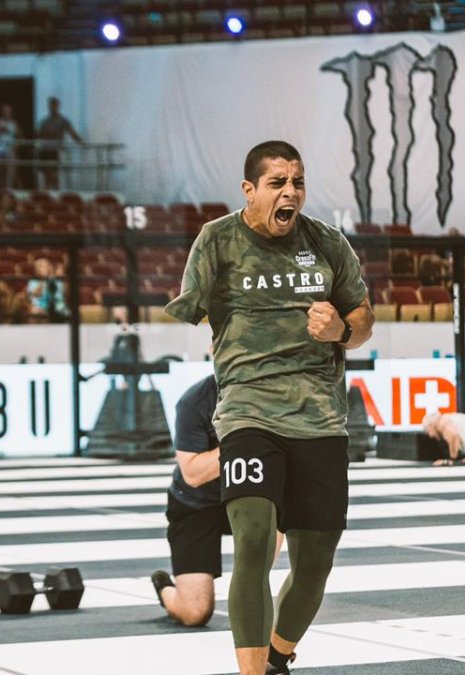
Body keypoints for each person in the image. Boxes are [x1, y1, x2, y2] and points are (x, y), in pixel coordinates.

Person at [165, 140, 374, 675]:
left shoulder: (328, 243)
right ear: (250, 190)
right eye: (278, 182)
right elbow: (189, 310)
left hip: (321, 418)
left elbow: (364, 317)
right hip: (247, 413)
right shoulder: (217, 240)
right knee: (254, 537)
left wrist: (344, 330)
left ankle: (279, 656)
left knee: (314, 563)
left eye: (298, 182)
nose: (290, 192)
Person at [151, 374, 284, 627]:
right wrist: (242, 442)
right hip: (196, 503)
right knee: (195, 613)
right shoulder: (195, 400)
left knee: (278, 509)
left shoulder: (275, 394)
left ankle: (254, 590)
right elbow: (192, 473)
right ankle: (164, 588)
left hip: (248, 493)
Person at [36, 97, 84, 191]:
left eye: (54, 105)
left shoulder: (62, 121)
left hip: (55, 151)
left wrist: (82, 143)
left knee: (54, 174)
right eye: (50, 105)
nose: (52, 107)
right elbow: (38, 135)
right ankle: (47, 194)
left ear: (57, 106)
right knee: (47, 175)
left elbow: (72, 133)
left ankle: (56, 193)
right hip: (45, 150)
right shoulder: (44, 122)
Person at [20, 257, 67, 322]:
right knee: (36, 312)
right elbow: (36, 294)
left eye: (42, 266)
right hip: (39, 308)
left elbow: (65, 294)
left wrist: (61, 278)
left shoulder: (56, 280)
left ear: (49, 268)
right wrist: (44, 280)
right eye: (38, 266)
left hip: (57, 308)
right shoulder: (33, 282)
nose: (39, 268)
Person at [0, 104, 18, 190]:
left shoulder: (14, 124)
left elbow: (20, 137)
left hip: (10, 148)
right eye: (4, 111)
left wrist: (16, 145)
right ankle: (1, 187)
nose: (6, 113)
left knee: (11, 168)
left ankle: (10, 187)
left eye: (7, 111)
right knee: (0, 168)